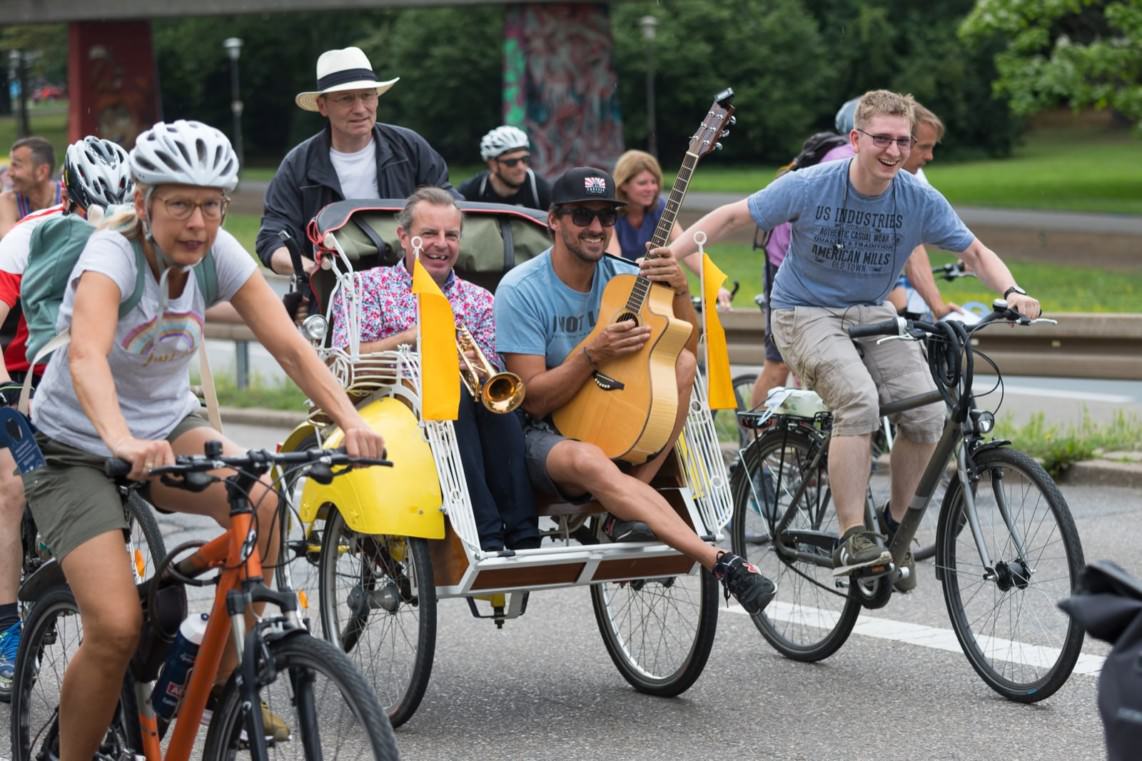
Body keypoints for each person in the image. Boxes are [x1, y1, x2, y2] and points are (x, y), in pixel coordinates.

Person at [21, 120, 384, 761]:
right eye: (179, 204)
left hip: (166, 427)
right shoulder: (111, 255)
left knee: (266, 504)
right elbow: (85, 356)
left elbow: (291, 349)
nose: (197, 221)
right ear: (144, 203)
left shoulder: (217, 253)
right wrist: (117, 439)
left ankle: (200, 678)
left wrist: (350, 421)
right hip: (76, 444)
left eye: (211, 204)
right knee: (112, 626)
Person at [658, 90, 1040, 590]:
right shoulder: (813, 184)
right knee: (857, 401)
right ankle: (852, 535)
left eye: (903, 141)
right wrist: (669, 253)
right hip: (803, 312)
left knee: (926, 415)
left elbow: (974, 251)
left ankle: (894, 528)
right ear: (856, 139)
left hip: (871, 311)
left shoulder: (917, 197)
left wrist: (1012, 290)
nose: (894, 151)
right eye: (881, 138)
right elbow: (732, 216)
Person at [494, 166, 776, 615]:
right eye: (582, 215)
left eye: (607, 217)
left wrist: (682, 287)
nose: (596, 228)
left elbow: (687, 346)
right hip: (539, 433)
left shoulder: (626, 277)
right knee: (587, 458)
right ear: (554, 220)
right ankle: (719, 561)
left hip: (612, 412)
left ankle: (627, 504)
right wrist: (592, 354)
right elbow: (533, 399)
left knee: (681, 365)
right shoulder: (521, 290)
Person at [329, 187, 539, 552]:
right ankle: (485, 533)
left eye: (451, 235)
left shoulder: (478, 299)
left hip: (464, 406)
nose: (441, 244)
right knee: (451, 394)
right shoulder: (366, 286)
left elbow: (491, 371)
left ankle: (524, 533)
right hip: (394, 406)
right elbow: (346, 357)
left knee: (498, 405)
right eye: (429, 234)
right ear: (404, 237)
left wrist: (468, 365)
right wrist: (413, 339)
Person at [0, 136, 134, 702]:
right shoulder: (28, 237)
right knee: (11, 488)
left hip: (96, 374)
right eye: (92, 209)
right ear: (68, 195)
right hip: (24, 372)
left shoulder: (136, 236)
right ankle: (6, 629)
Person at [256, 46, 457, 276]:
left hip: (414, 286)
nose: (360, 108)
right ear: (322, 106)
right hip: (333, 294)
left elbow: (450, 209)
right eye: (346, 99)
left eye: (367, 96)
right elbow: (272, 238)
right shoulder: (297, 166)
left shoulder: (411, 148)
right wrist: (315, 273)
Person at [748, 132, 853, 410]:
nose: (927, 156)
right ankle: (753, 443)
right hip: (785, 260)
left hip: (819, 267)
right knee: (778, 362)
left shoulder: (880, 164)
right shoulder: (844, 161)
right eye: (923, 147)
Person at [837, 98, 959, 318]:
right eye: (923, 147)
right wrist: (926, 307)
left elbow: (914, 240)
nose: (930, 156)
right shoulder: (863, 171)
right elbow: (887, 249)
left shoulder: (912, 177)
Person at [606, 150, 731, 307]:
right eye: (642, 183)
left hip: (650, 284)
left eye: (654, 182)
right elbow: (616, 263)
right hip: (618, 287)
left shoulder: (659, 207)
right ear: (623, 185)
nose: (651, 188)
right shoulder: (611, 213)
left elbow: (688, 250)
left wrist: (714, 285)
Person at [458, 126, 551, 210]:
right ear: (493, 164)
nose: (521, 167)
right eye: (511, 162)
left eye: (524, 159)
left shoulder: (539, 189)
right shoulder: (474, 190)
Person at [0, 137, 63, 238]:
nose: (9, 173)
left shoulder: (68, 196)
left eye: (16, 165)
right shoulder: (7, 201)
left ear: (42, 172)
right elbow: (10, 242)